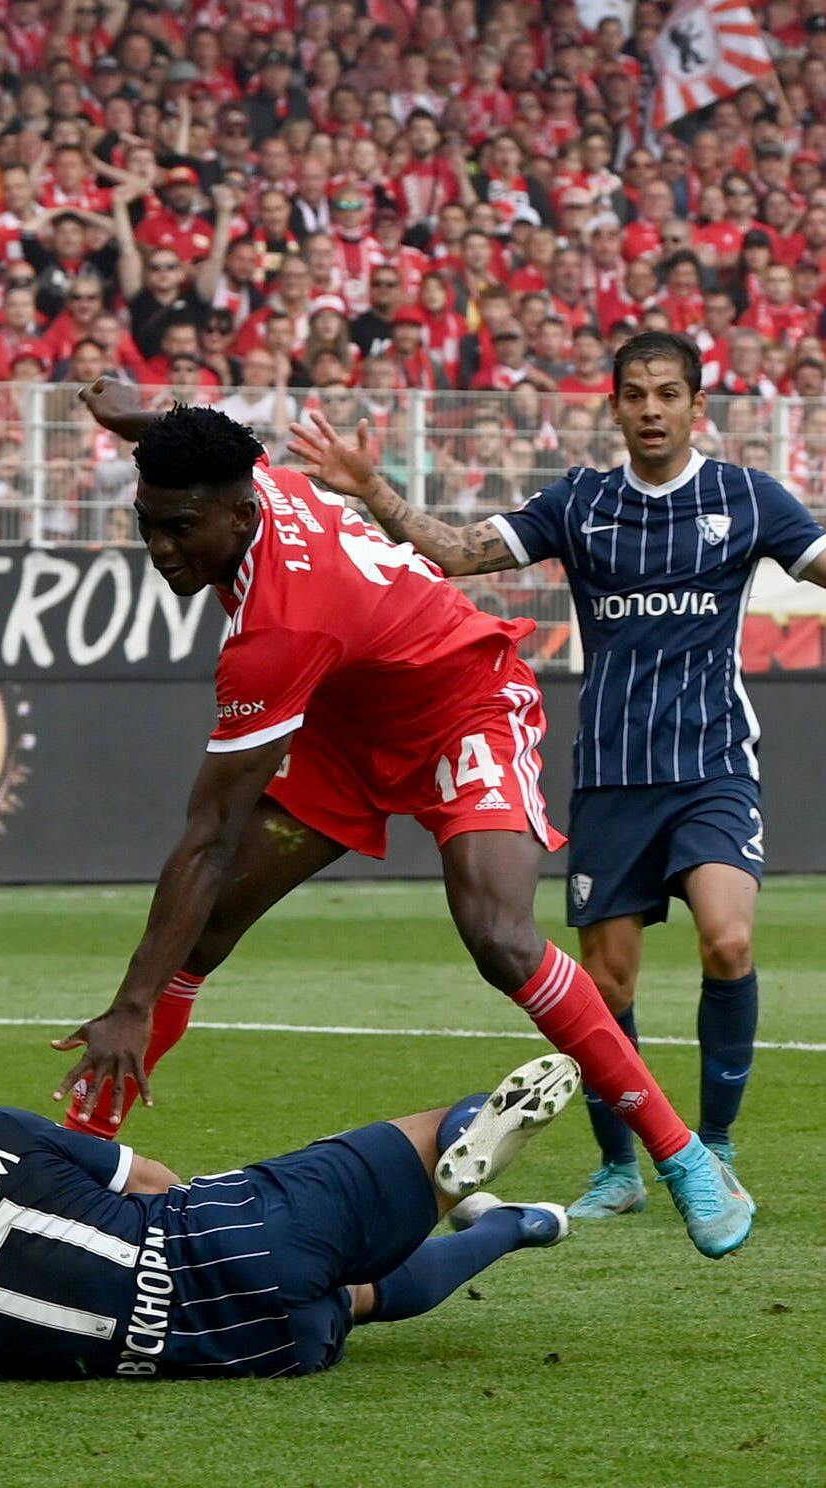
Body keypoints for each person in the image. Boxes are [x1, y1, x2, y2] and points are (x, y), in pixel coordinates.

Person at [59, 381, 752, 1261]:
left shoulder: (275, 630)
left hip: (463, 700)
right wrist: (147, 419)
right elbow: (211, 449)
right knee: (201, 934)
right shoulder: (245, 483)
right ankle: (77, 1157)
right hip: (351, 727)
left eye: (176, 530)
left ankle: (684, 1156)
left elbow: (208, 837)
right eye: (146, 523)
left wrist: (127, 1006)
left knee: (498, 937)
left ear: (237, 518)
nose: (159, 548)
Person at [289, 331, 826, 1221]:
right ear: (612, 406)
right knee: (604, 986)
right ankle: (619, 1168)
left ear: (698, 406)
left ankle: (717, 1145)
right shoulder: (581, 502)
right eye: (635, 394)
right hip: (611, 777)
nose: (651, 408)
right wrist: (372, 489)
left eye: (667, 393)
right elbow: (456, 552)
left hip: (713, 766)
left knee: (728, 940)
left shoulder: (745, 497)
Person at [0, 1054, 581, 1383]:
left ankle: (509, 1226)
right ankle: (463, 1184)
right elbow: (151, 1177)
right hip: (232, 1231)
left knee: (356, 1299)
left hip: (243, 1348)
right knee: (447, 1125)